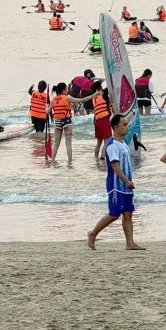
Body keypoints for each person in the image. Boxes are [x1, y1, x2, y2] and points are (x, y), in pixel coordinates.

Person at [87, 115, 144, 251]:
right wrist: (125, 180)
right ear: (115, 127)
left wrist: (129, 181)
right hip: (116, 185)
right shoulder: (112, 145)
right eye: (124, 125)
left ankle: (130, 243)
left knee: (128, 213)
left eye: (127, 124)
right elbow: (115, 166)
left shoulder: (123, 143)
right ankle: (93, 233)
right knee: (114, 213)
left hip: (126, 185)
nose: (127, 127)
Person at [50, 81, 101, 164]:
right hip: (66, 121)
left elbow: (47, 111)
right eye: (66, 88)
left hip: (57, 122)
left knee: (56, 144)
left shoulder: (53, 100)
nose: (67, 90)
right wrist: (94, 95)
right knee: (68, 144)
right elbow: (82, 100)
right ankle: (69, 162)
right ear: (63, 90)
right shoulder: (67, 98)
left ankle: (52, 160)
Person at [92, 88, 113, 159]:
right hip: (104, 120)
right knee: (108, 140)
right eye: (101, 90)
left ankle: (95, 157)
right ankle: (102, 157)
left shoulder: (94, 98)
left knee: (99, 142)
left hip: (97, 121)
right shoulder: (105, 97)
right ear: (99, 91)